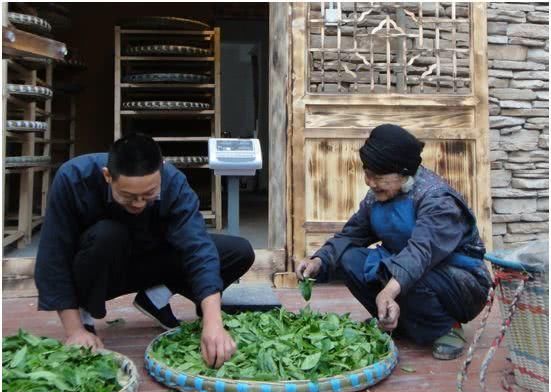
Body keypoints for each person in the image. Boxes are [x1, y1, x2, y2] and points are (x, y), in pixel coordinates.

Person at [35, 133, 255, 368]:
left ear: (161, 170)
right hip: (101, 268)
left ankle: (154, 298)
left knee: (237, 251)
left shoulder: (173, 182)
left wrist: (213, 323)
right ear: (107, 176)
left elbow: (198, 248)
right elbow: (54, 257)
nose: (139, 203)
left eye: (149, 194)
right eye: (129, 196)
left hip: (149, 261)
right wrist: (74, 330)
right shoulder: (73, 178)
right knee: (107, 234)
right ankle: (84, 318)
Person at [296, 124, 492, 360]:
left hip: (458, 280)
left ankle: (447, 327)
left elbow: (420, 254)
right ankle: (395, 321)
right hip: (405, 267)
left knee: (412, 273)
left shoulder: (437, 200)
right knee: (349, 258)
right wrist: (319, 260)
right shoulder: (377, 197)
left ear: (404, 173)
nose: (369, 182)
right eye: (366, 173)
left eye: (377, 177)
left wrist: (388, 291)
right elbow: (351, 235)